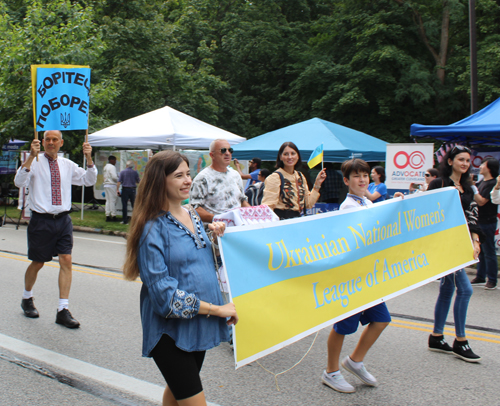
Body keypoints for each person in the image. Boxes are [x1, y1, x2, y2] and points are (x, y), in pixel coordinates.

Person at [123, 151, 237, 406]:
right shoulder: (151, 228)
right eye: (178, 176)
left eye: (188, 174)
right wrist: (217, 309)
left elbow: (204, 265)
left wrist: (217, 239)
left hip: (197, 327)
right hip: (170, 334)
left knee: (177, 393)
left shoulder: (193, 216)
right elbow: (165, 298)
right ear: (159, 181)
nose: (188, 180)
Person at [322, 158, 393, 394]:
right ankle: (331, 372)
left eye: (365, 175)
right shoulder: (348, 207)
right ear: (346, 181)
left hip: (369, 277)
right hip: (352, 279)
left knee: (381, 319)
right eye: (356, 176)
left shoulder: (364, 202)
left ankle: (355, 361)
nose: (362, 179)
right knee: (343, 327)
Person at [14, 130, 97, 328]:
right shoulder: (34, 162)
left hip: (63, 220)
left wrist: (89, 158)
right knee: (38, 262)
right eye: (47, 140)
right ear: (42, 142)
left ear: (61, 142)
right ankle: (27, 298)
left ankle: (63, 309)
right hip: (41, 221)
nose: (51, 143)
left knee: (66, 260)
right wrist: (30, 158)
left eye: (55, 140)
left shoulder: (67, 165)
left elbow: (89, 180)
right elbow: (19, 182)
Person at [427, 145, 482, 362]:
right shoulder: (438, 184)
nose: (465, 164)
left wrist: (475, 241)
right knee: (465, 290)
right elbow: (427, 212)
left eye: (468, 160)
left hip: (463, 244)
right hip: (444, 244)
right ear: (450, 161)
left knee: (448, 287)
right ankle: (460, 340)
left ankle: (436, 336)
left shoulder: (468, 188)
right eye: (461, 159)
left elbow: (473, 217)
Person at [190, 139, 250, 227]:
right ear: (212, 155)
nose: (227, 153)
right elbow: (194, 209)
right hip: (215, 233)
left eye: (230, 150)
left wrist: (253, 215)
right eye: (223, 150)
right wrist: (219, 219)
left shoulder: (235, 175)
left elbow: (242, 200)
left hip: (238, 230)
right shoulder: (202, 178)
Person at [261, 142, 326, 220]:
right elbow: (268, 207)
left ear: (298, 156)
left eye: (293, 153)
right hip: (281, 220)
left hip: (297, 220)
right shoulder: (275, 177)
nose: (290, 157)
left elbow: (308, 204)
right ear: (280, 157)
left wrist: (317, 185)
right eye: (286, 154)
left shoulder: (300, 176)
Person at [470, 157, 499, 290]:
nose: (480, 166)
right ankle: (480, 275)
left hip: (487, 221)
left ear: (489, 167)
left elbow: (482, 201)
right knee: (480, 250)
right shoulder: (482, 181)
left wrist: (472, 188)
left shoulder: (492, 183)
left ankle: (492, 279)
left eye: (483, 164)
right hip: (479, 220)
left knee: (489, 251)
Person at [117, 160, 140, 224]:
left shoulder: (122, 172)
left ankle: (125, 220)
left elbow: (119, 182)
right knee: (134, 205)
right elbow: (138, 181)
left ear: (126, 165)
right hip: (132, 189)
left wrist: (117, 189)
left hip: (125, 189)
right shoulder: (135, 172)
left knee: (124, 205)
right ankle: (136, 220)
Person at [103, 155, 119, 222]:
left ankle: (107, 214)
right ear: (111, 160)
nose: (115, 162)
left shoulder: (105, 167)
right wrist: (118, 180)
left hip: (106, 184)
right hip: (111, 184)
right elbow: (114, 177)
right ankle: (113, 215)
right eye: (115, 160)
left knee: (108, 200)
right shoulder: (112, 167)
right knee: (112, 200)